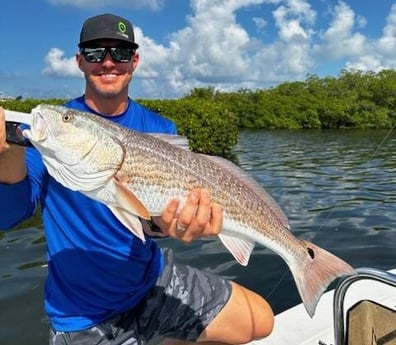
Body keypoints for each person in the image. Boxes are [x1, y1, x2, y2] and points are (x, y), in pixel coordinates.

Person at [0, 13, 274, 345]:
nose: (108, 62)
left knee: (260, 319)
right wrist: (7, 151)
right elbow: (10, 213)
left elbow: (153, 225)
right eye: (95, 53)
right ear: (79, 62)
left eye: (121, 53)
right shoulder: (54, 132)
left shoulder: (160, 129)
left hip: (152, 279)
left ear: (135, 61)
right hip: (83, 312)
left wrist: (176, 226)